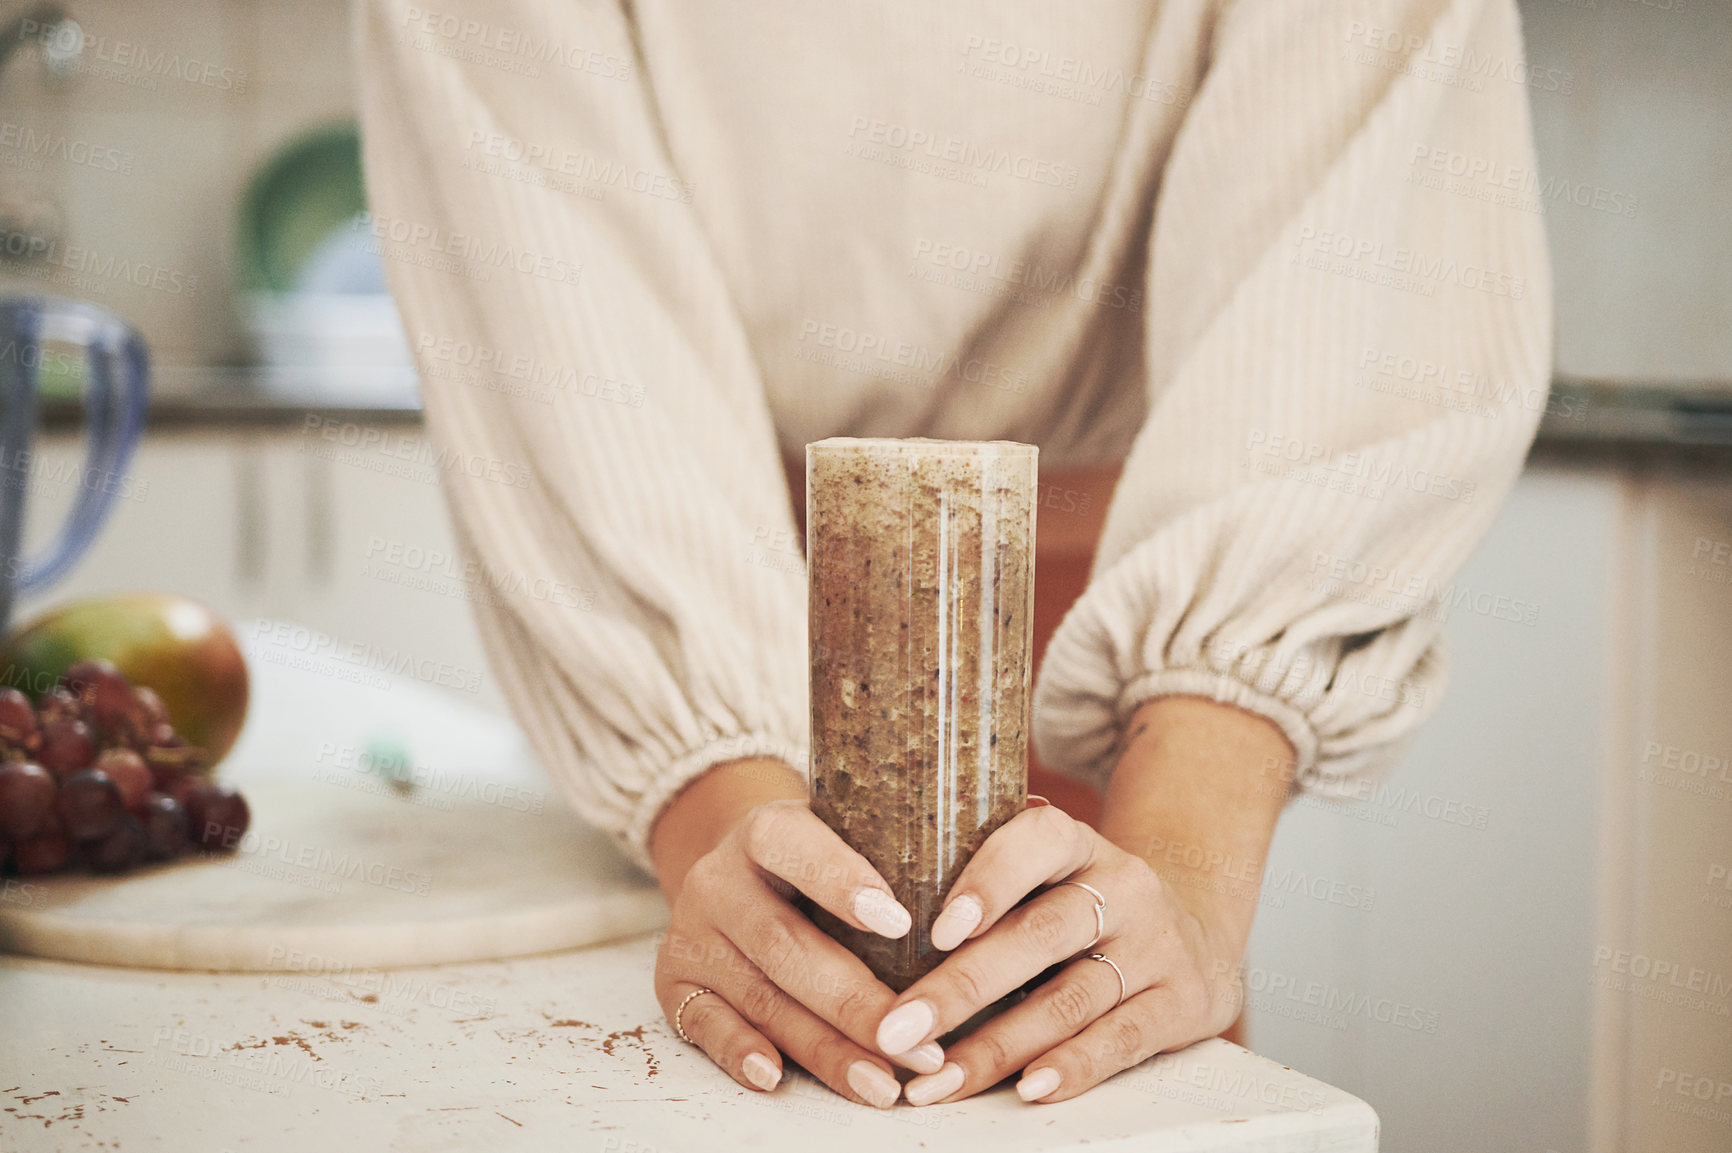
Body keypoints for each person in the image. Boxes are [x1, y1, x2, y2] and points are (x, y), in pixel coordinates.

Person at [354, 0, 1550, 1111]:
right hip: (724, 604)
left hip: (1128, 668)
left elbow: (1337, 262)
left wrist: (1181, 884)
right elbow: (559, 285)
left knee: (1109, 1076)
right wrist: (736, 826)